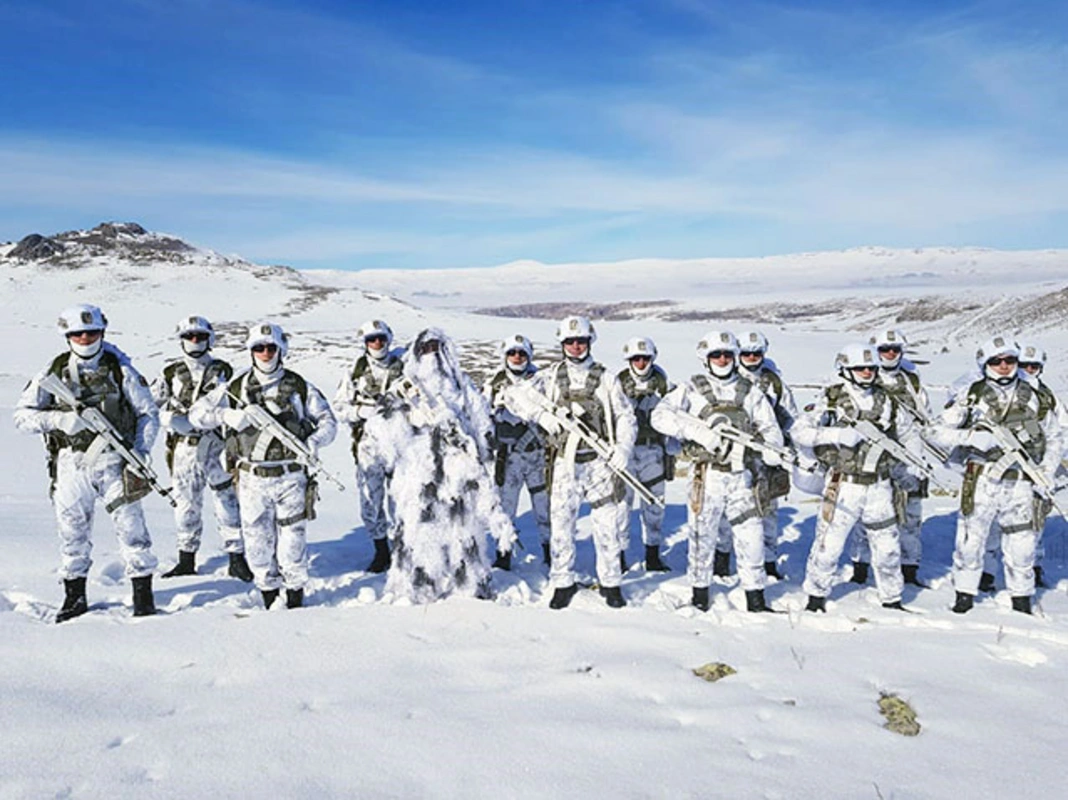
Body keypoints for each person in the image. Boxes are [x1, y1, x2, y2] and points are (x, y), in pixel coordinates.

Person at [14, 304, 160, 621]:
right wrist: (59, 420)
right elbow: (22, 416)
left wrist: (141, 452)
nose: (84, 338)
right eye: (77, 333)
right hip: (71, 463)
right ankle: (74, 598)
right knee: (72, 533)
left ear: (102, 332)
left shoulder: (121, 369)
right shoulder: (53, 372)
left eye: (91, 332)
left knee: (133, 531)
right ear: (67, 336)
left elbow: (148, 414)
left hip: (116, 461)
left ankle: (143, 598)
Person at [361, 328, 515, 603]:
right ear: (417, 353)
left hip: (459, 469)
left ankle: (468, 583)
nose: (432, 354)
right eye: (426, 348)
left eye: (437, 347)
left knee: (463, 529)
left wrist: (484, 457)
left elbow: (481, 423)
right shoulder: (406, 386)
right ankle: (418, 585)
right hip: (418, 469)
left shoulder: (461, 385)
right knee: (419, 530)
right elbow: (384, 428)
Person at [189, 322, 337, 609]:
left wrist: (315, 443)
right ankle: (268, 594)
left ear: (281, 350)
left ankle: (294, 596)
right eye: (259, 348)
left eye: (271, 348)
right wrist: (226, 416)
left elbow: (328, 422)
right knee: (257, 542)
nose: (265, 353)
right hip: (251, 478)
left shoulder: (299, 386)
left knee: (293, 541)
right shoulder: (235, 387)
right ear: (250, 351)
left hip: (290, 474)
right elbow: (197, 414)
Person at [503, 315, 637, 609]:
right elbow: (511, 396)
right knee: (561, 524)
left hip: (600, 462)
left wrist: (623, 449)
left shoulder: (606, 378)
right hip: (564, 463)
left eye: (581, 341)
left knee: (606, 525)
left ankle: (611, 583)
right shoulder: (549, 377)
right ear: (562, 344)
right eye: (570, 342)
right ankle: (562, 581)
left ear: (590, 342)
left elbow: (626, 417)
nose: (576, 346)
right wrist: (543, 417)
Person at [928, 335, 1062, 615]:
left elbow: (1054, 436)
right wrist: (971, 438)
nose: (1004, 366)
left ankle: (1022, 599)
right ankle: (964, 595)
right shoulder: (971, 395)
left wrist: (1046, 471)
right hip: (982, 479)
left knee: (1022, 545)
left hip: (1021, 481)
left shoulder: (1035, 396)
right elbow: (933, 432)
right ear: (985, 363)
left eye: (1010, 360)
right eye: (997, 361)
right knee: (970, 541)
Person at [651, 330, 783, 612]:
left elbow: (770, 429)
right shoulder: (691, 390)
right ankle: (699, 594)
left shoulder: (751, 392)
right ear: (705, 358)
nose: (722, 360)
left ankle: (755, 596)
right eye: (716, 355)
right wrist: (698, 432)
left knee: (751, 536)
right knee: (701, 535)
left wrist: (772, 449)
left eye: (727, 355)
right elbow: (659, 416)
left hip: (743, 475)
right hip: (706, 475)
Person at [792, 343, 920, 613]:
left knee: (887, 548)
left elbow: (908, 434)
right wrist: (836, 436)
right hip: (843, 484)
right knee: (828, 546)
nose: (866, 373)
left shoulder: (886, 401)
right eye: (859, 368)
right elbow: (800, 432)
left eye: (871, 368)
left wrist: (914, 465)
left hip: (879, 485)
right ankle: (816, 597)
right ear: (846, 370)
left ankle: (892, 598)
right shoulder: (830, 399)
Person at [152, 315, 252, 582]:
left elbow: (236, 405)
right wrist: (170, 421)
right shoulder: (170, 373)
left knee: (228, 502)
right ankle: (186, 559)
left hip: (217, 446)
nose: (194, 341)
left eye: (199, 336)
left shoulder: (224, 371)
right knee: (186, 505)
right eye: (189, 336)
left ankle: (236, 557)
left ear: (210, 339)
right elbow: (150, 408)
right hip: (184, 448)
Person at [849, 328, 932, 587]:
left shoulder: (911, 381)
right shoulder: (863, 377)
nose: (891, 354)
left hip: (906, 456)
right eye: (885, 349)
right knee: (868, 517)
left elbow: (924, 416)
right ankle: (860, 569)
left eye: (896, 349)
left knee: (910, 515)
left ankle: (909, 570)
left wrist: (917, 450)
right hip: (872, 458)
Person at [711, 330, 798, 579]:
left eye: (755, 353)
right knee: (729, 513)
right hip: (733, 456)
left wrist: (787, 446)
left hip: (767, 457)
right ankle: (722, 559)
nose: (750, 357)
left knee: (768, 510)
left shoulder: (774, 384)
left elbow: (790, 417)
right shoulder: (728, 379)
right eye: (746, 353)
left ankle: (768, 563)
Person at [332, 319, 405, 573]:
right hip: (368, 447)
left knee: (403, 504)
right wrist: (360, 411)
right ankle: (381, 551)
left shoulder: (405, 365)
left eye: (381, 339)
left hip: (400, 446)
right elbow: (339, 408)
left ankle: (402, 551)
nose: (377, 344)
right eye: (371, 340)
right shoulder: (355, 370)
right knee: (371, 503)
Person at [482, 334, 551, 569]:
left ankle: (551, 553)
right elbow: (482, 417)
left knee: (545, 509)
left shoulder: (542, 380)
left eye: (522, 353)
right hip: (507, 457)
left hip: (537, 456)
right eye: (512, 353)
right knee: (505, 509)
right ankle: (504, 555)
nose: (517, 357)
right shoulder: (494, 383)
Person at [616, 336, 676, 572]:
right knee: (622, 506)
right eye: (636, 359)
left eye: (645, 358)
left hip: (654, 450)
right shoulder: (617, 383)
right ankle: (619, 556)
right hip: (626, 451)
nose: (641, 363)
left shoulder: (662, 383)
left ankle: (652, 555)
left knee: (654, 506)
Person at [1014, 342, 1068, 588]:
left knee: (1036, 518)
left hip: (1040, 466)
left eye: (1034, 366)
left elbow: (1062, 430)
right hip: (1010, 467)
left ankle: (1033, 568)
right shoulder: (1007, 393)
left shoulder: (1048, 397)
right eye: (1024, 365)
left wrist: (1050, 461)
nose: (1029, 370)